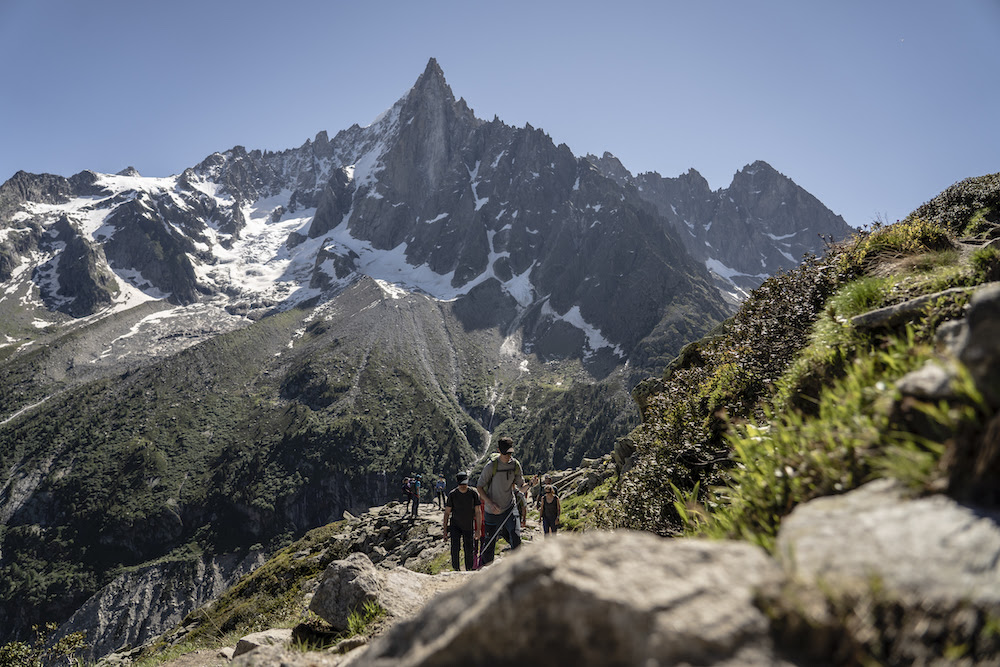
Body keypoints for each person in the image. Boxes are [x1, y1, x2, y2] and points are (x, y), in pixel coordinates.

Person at [476, 437, 529, 565]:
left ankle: (518, 568)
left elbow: (521, 487)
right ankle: (485, 571)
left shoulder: (515, 465)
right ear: (499, 450)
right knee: (489, 545)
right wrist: (490, 503)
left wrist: (530, 484)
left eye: (510, 453)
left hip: (509, 508)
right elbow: (479, 487)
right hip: (491, 511)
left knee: (516, 537)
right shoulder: (491, 466)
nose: (508, 456)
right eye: (505, 453)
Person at [442, 472, 482, 571]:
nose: (463, 486)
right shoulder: (452, 494)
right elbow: (447, 513)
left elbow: (478, 512)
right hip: (455, 524)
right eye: (461, 484)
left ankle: (468, 569)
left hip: (468, 525)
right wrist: (445, 530)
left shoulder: (473, 494)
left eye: (464, 484)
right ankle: (456, 569)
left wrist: (478, 529)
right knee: (455, 548)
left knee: (469, 549)